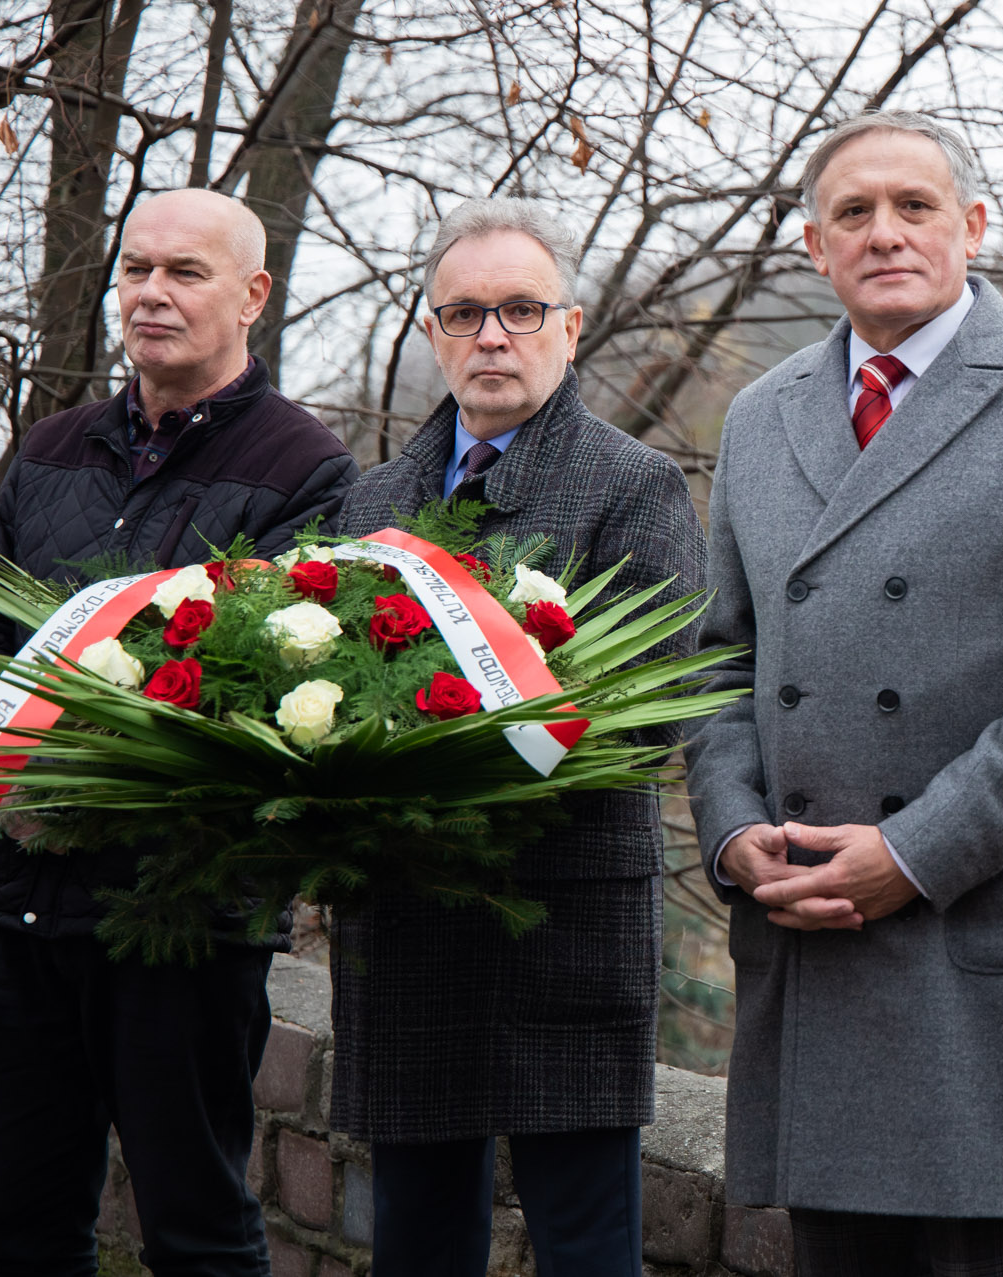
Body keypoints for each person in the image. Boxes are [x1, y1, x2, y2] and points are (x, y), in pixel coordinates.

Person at [686, 110, 1003, 1276]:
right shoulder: (761, 415)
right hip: (809, 934)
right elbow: (716, 663)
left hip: (975, 941)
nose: (885, 233)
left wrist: (911, 855)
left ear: (973, 226)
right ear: (814, 247)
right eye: (852, 212)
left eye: (914, 206)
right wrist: (735, 834)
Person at [0, 187, 360, 1276]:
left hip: (181, 923)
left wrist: (83, 789)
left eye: (185, 272)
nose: (151, 293)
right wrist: (1, 774)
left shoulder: (305, 469)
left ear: (253, 295)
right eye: (136, 269)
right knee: (20, 1230)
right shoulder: (52, 447)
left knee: (197, 1232)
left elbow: (278, 690)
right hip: (14, 905)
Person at [328, 197, 705, 1276]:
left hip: (564, 914)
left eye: (521, 310)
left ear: (570, 328)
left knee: (585, 1244)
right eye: (464, 313)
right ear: (433, 331)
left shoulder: (634, 486)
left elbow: (654, 711)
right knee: (415, 1244)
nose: (492, 336)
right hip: (406, 919)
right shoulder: (372, 502)